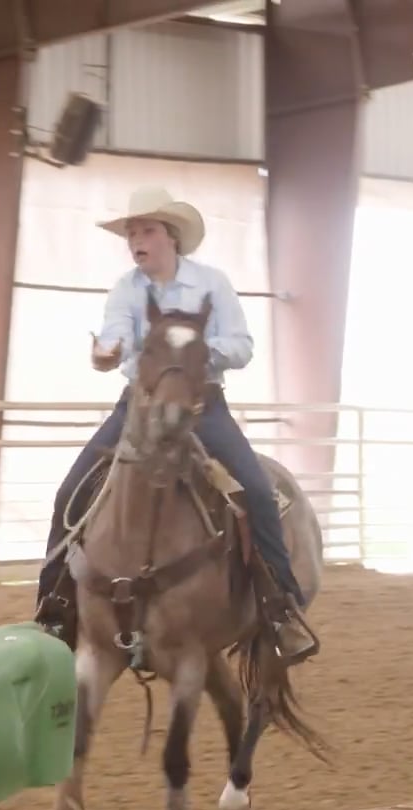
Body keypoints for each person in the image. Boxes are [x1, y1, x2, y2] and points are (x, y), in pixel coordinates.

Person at [31, 185, 318, 664]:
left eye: (145, 230)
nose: (135, 239)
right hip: (138, 408)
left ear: (171, 237)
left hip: (202, 406)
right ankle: (54, 609)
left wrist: (199, 355)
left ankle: (280, 608)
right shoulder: (126, 288)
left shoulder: (213, 284)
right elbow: (114, 338)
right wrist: (107, 354)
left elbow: (242, 346)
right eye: (131, 232)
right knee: (70, 492)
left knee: (257, 491)